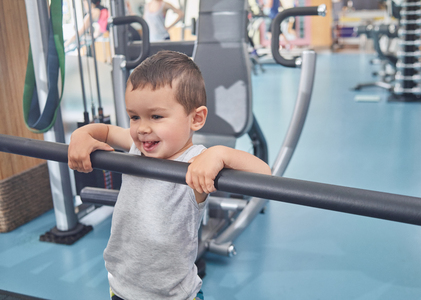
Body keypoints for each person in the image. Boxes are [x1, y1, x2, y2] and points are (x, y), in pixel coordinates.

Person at [68, 50, 271, 300]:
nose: (142, 128)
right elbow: (107, 130)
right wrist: (82, 134)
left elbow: (265, 174)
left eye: (156, 116)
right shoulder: (137, 147)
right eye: (134, 116)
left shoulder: (196, 163)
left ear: (196, 118)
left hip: (172, 296)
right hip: (121, 287)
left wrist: (220, 154)